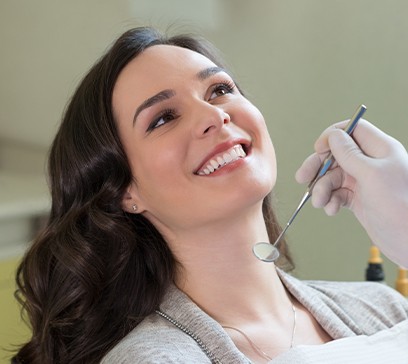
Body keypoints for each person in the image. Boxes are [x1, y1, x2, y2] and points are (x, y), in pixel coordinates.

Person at [11, 27, 408, 364]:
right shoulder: (155, 359)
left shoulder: (383, 307)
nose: (214, 115)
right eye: (164, 117)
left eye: (218, 89)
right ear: (125, 193)